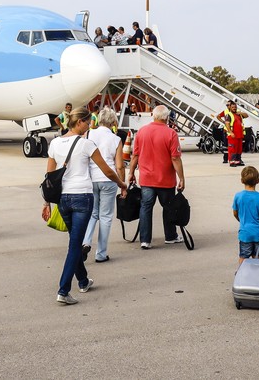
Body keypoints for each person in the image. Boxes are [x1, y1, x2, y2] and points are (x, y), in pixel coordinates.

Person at [45, 107, 127, 305]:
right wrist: (122, 184)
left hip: (63, 200)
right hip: (82, 197)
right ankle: (63, 290)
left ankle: (83, 280)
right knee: (74, 245)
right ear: (79, 122)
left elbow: (49, 177)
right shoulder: (86, 144)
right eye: (88, 121)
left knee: (74, 241)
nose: (91, 124)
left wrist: (46, 202)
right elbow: (107, 171)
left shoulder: (55, 143)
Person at [127, 105, 186, 249]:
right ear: (166, 117)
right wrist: (182, 178)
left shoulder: (142, 132)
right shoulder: (171, 133)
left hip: (147, 179)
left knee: (146, 207)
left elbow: (135, 155)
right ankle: (170, 236)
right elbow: (175, 159)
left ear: (153, 116)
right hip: (165, 180)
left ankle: (145, 240)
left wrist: (131, 173)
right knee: (168, 207)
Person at [82, 108, 125, 263]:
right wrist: (123, 185)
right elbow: (119, 166)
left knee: (92, 214)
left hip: (91, 179)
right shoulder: (116, 139)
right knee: (105, 217)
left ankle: (86, 241)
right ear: (113, 122)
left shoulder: (88, 134)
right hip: (109, 180)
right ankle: (101, 253)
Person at [232, 166, 259, 265]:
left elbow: (235, 213)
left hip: (244, 233)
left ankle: (241, 276)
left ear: (241, 180)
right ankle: (255, 277)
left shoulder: (238, 196)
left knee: (243, 257)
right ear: (258, 180)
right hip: (257, 233)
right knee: (256, 257)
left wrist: (242, 220)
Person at [217, 101, 249, 167]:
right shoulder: (229, 115)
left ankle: (238, 161)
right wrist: (230, 132)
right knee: (232, 148)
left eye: (235, 107)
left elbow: (246, 115)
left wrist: (240, 112)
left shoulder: (239, 114)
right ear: (230, 108)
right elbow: (227, 124)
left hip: (239, 135)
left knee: (239, 149)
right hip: (233, 135)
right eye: (232, 107)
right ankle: (232, 161)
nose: (234, 108)